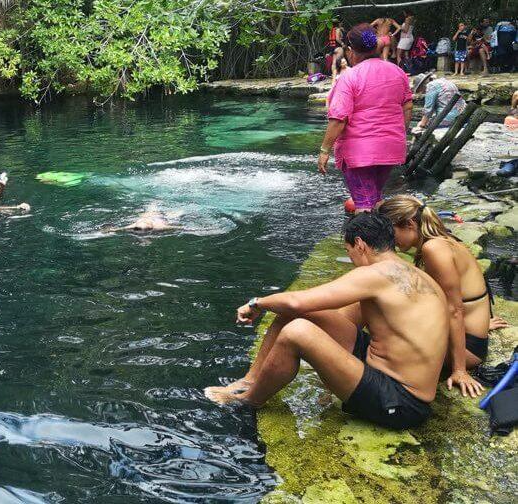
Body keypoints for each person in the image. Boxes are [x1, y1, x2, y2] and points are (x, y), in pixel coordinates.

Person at [204, 213, 448, 430]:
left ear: (360, 244)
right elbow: (329, 316)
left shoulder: (376, 274)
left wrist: (256, 303)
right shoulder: (412, 272)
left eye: (349, 251)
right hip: (385, 370)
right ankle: (250, 380)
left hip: (400, 401)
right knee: (296, 316)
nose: (351, 259)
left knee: (297, 332)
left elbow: (297, 301)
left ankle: (248, 401)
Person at [376, 196, 505, 397]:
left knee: (385, 338)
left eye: (391, 233)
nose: (390, 240)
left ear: (410, 224)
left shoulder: (433, 248)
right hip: (471, 336)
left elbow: (455, 309)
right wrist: (481, 323)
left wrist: (460, 370)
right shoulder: (440, 240)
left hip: (468, 349)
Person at [319, 24, 412, 212]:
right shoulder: (397, 72)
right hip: (391, 147)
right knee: (375, 197)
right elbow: (407, 106)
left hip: (360, 152)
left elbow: (339, 118)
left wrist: (324, 149)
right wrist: (398, 133)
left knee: (363, 204)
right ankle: (385, 236)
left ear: (351, 51)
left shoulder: (350, 77)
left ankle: (369, 240)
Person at [105, 209, 181, 233]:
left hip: (154, 217)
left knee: (151, 211)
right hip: (156, 218)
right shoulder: (160, 227)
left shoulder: (159, 226)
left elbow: (118, 229)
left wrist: (110, 230)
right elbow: (178, 228)